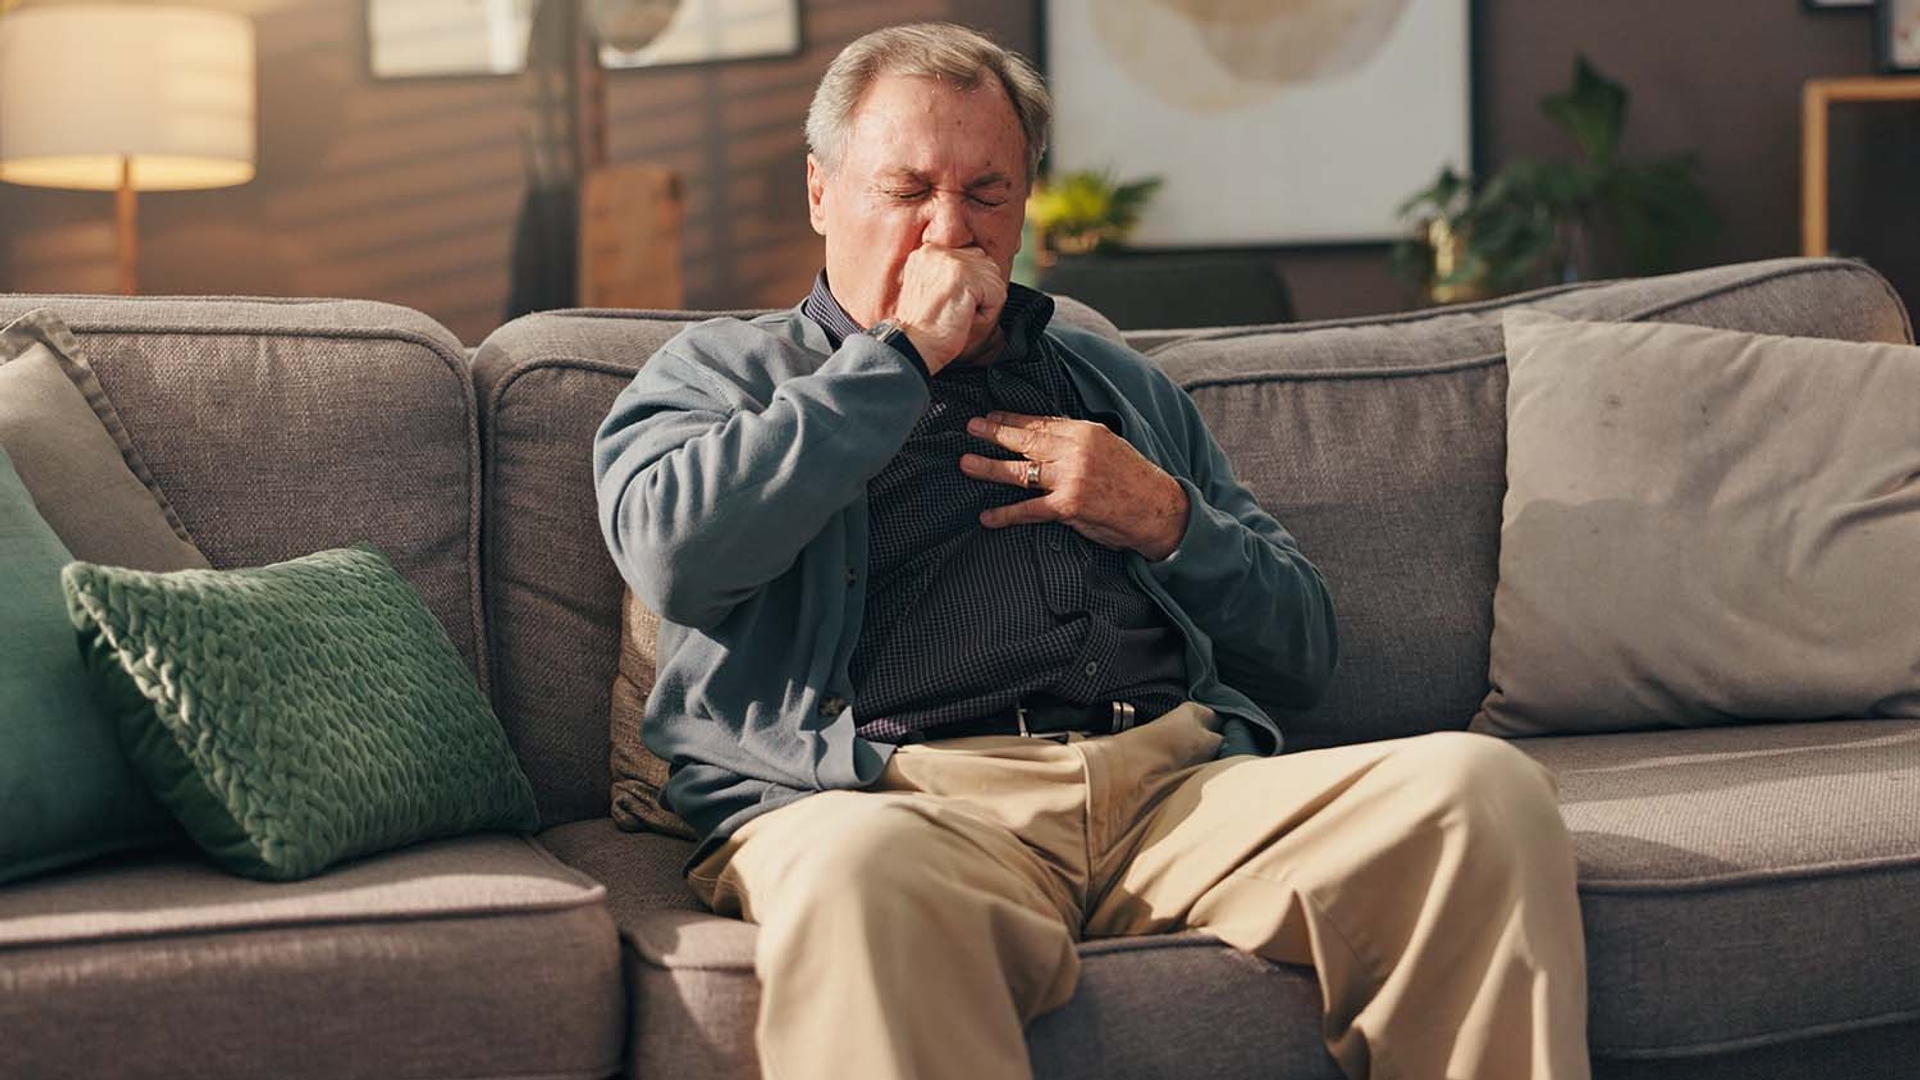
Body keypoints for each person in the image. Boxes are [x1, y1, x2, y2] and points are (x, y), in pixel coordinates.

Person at [593, 22, 1588, 1080]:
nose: (949, 231)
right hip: (893, 805)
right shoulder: (721, 376)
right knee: (859, 874)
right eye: (908, 189)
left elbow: (1304, 655)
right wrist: (900, 357)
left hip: (1170, 789)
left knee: (1478, 795)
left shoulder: (1115, 382)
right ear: (821, 192)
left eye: (987, 193)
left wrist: (1168, 520)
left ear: (1024, 204)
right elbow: (678, 557)